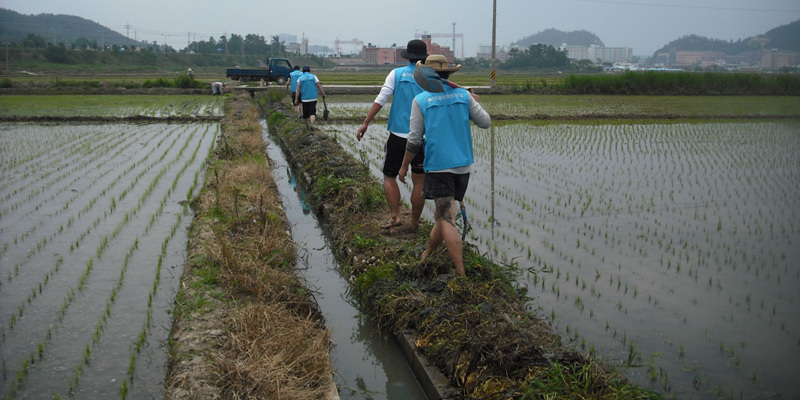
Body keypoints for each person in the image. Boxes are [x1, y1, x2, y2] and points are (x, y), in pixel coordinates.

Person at [398, 55, 491, 277]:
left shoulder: (421, 100)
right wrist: (473, 100)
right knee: (442, 215)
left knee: (447, 218)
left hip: (439, 167)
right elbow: (485, 122)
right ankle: (428, 252)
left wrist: (403, 167)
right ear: (449, 74)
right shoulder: (464, 96)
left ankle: (460, 272)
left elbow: (414, 140)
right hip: (463, 167)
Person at [356, 39, 428, 231]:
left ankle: (395, 216)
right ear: (425, 56)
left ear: (408, 57)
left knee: (389, 176)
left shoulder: (396, 74)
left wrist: (366, 122)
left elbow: (382, 98)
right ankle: (414, 222)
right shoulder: (432, 75)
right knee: (419, 180)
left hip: (398, 136)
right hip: (423, 137)